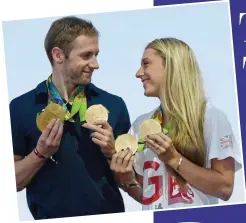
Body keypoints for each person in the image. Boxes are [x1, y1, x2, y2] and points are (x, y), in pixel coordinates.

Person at [9, 16, 131, 219]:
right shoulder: (20, 108)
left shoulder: (114, 105)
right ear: (58, 55)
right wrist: (40, 153)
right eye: (86, 55)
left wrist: (112, 152)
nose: (95, 64)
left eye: (96, 54)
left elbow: (130, 181)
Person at [110, 37, 242, 210]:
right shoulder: (140, 124)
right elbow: (147, 197)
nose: (138, 73)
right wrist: (126, 179)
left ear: (172, 65)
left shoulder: (210, 117)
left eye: (146, 64)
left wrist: (174, 159)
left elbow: (225, 188)